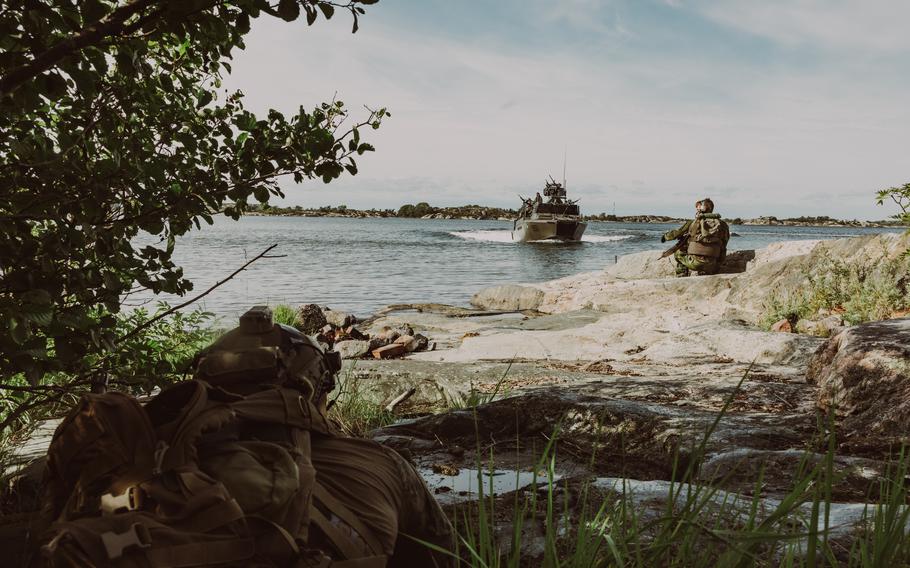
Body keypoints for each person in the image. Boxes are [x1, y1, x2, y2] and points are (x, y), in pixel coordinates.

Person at [661, 198, 730, 277]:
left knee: (678, 252)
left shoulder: (693, 223)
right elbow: (725, 243)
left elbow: (675, 234)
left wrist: (665, 237)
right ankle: (705, 272)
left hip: (695, 263)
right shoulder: (723, 224)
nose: (697, 210)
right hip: (713, 265)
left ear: (702, 209)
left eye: (698, 208)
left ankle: (681, 276)